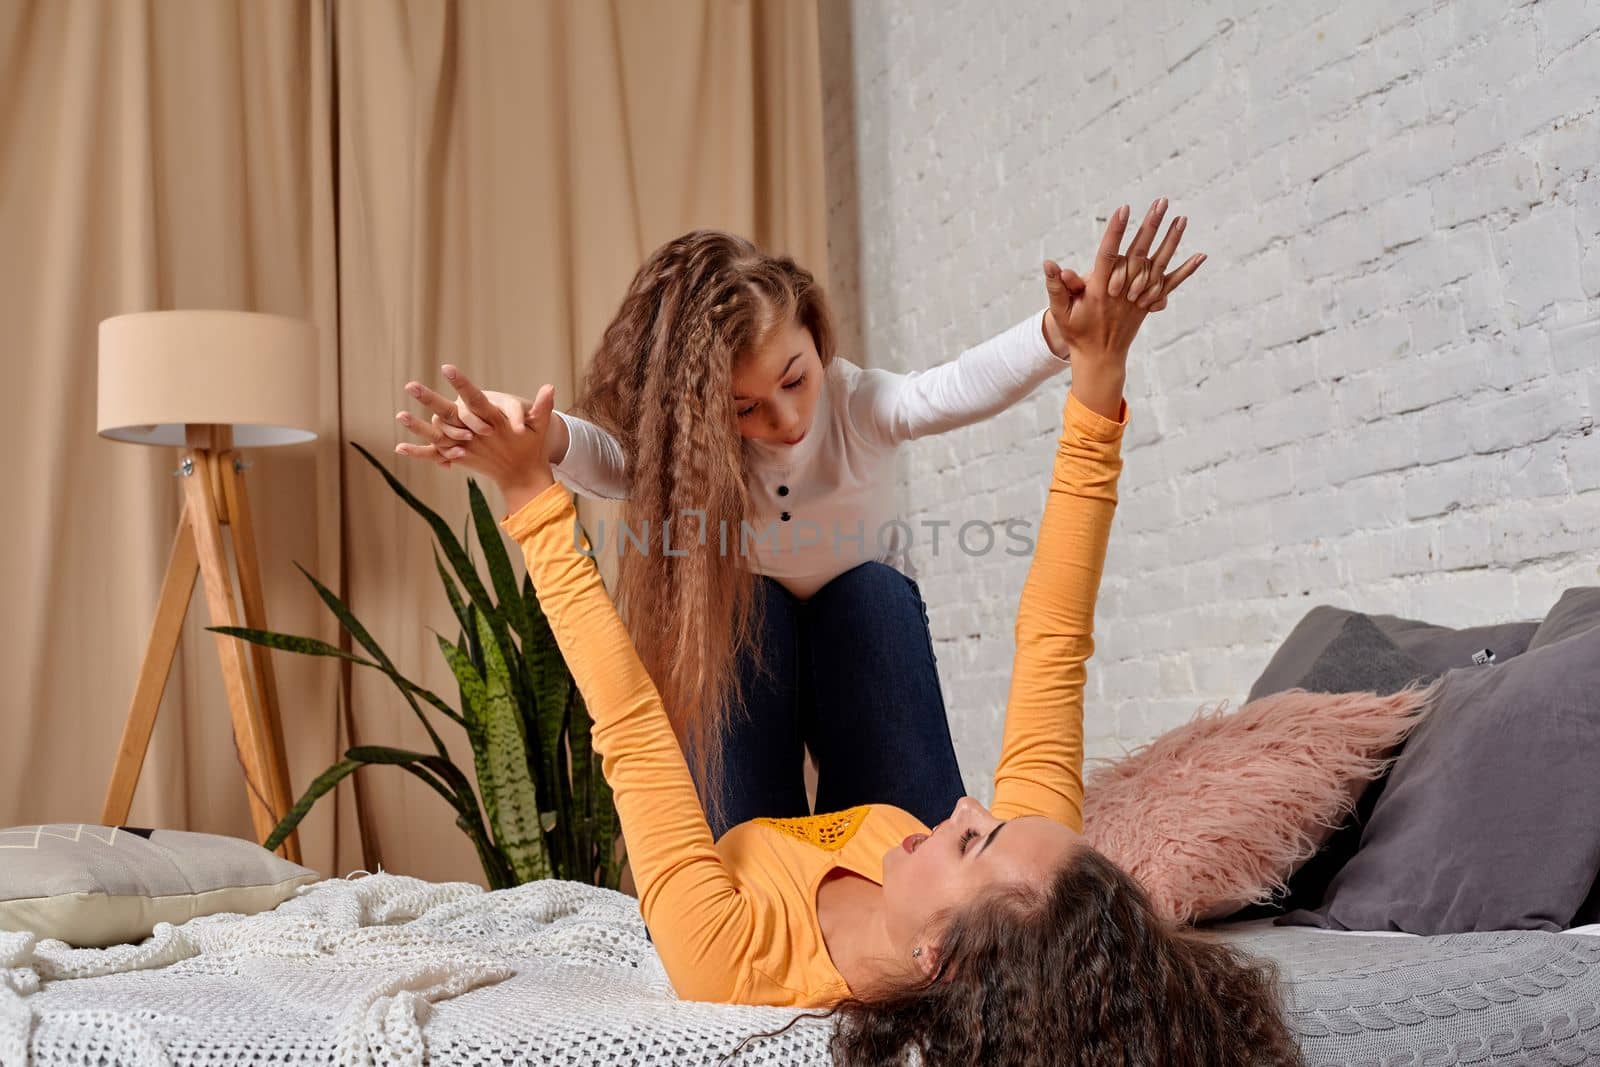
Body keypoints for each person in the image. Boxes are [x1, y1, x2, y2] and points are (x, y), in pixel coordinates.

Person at [399, 210, 1303, 1065]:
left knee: (771, 602)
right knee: (864, 594)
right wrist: (1097, 369)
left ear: (942, 953)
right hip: (858, 790)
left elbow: (632, 725)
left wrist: (529, 495)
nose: (967, 808)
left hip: (737, 846)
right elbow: (1053, 641)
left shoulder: (728, 952)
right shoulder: (1018, 872)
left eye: (973, 841)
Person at [395, 200, 1194, 838]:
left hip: (861, 634)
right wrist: (546, 437)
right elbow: (617, 461)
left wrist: (1058, 335)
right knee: (747, 604)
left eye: (794, 379)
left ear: (817, 340)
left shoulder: (858, 401)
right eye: (744, 407)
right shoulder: (704, 450)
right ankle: (759, 863)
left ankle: (904, 852)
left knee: (872, 593)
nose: (781, 418)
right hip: (752, 642)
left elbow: (951, 387)